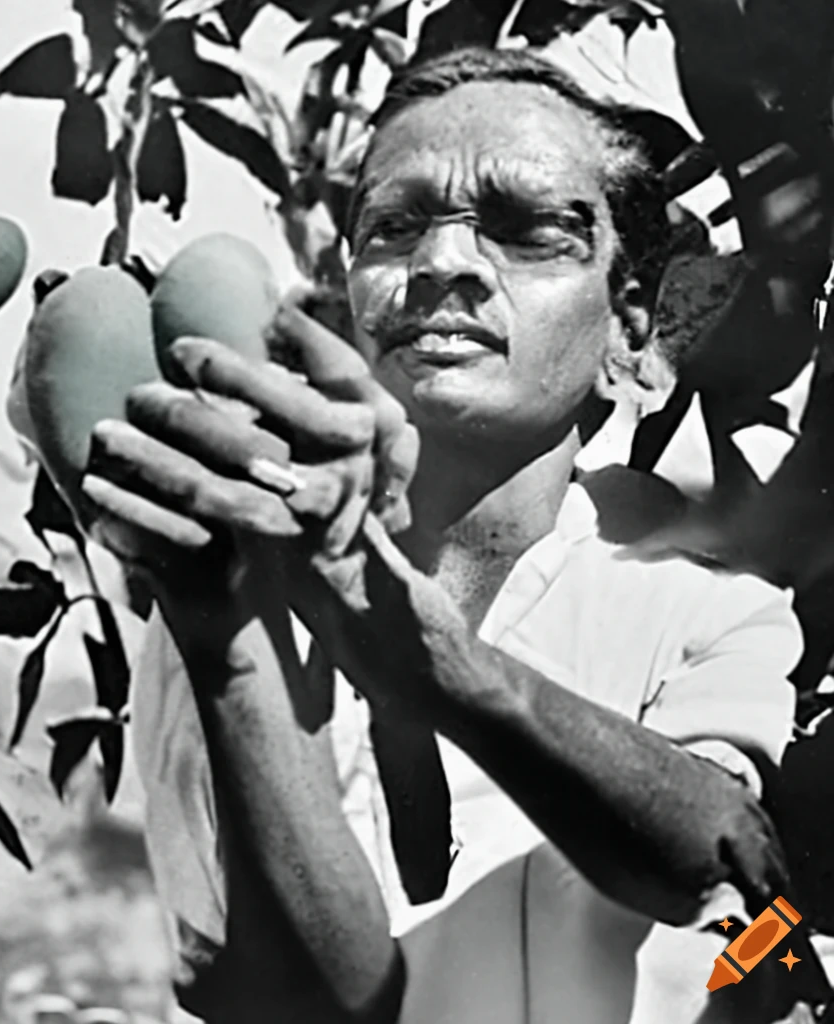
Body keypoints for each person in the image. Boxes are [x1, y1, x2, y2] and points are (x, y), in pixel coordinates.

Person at [77, 47, 827, 1024]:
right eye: (394, 227)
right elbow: (293, 1000)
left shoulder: (704, 595)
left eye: (527, 232)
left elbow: (717, 857)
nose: (442, 265)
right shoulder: (226, 579)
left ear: (629, 332)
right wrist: (233, 644)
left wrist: (431, 659)